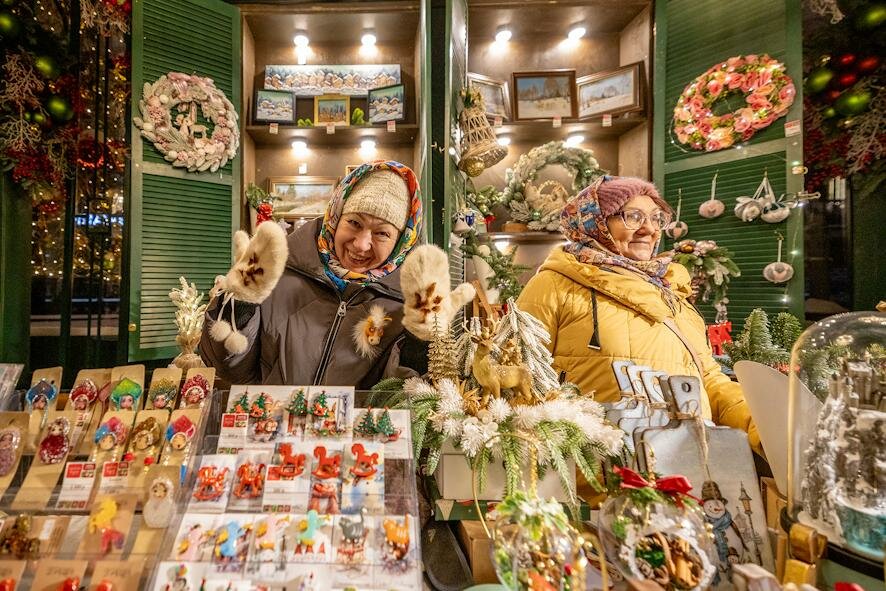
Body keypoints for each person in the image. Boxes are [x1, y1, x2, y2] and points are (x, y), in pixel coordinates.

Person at [517, 175, 760, 451]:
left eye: (657, 218)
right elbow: (517, 380)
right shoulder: (554, 285)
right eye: (632, 216)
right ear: (594, 222)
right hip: (593, 477)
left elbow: (709, 382)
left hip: (684, 473)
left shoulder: (670, 292)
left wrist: (763, 426)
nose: (649, 229)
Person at [201, 160, 423, 388]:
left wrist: (421, 340)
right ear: (335, 218)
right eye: (354, 222)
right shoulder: (276, 273)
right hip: (271, 420)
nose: (361, 244)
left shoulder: (408, 305)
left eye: (382, 233)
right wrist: (240, 305)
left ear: (401, 243)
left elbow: (407, 398)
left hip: (358, 424)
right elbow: (229, 370)